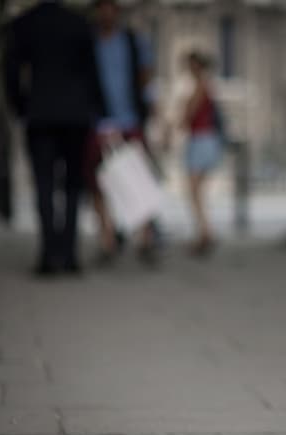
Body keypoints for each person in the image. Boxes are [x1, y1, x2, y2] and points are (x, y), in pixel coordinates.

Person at [3, 0, 105, 276]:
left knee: (45, 186)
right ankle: (69, 255)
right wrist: (97, 108)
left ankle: (49, 255)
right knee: (73, 186)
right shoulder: (79, 23)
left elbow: (11, 72)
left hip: (41, 114)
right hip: (75, 116)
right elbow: (93, 72)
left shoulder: (25, 24)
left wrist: (22, 106)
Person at [85, 0, 159, 266]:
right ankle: (107, 238)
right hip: (98, 122)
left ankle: (146, 238)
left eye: (111, 7)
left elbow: (146, 75)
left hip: (130, 120)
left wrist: (148, 106)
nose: (107, 13)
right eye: (102, 7)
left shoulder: (131, 41)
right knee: (100, 182)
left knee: (137, 177)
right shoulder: (89, 43)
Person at [181, 51, 223, 257]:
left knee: (193, 190)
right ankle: (205, 232)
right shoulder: (207, 85)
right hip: (207, 140)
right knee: (197, 191)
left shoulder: (200, 86)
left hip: (200, 140)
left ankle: (205, 233)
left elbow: (188, 115)